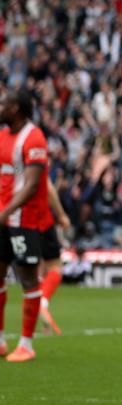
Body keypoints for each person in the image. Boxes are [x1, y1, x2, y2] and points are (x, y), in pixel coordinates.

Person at [0, 90, 56, 362]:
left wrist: (6, 211)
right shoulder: (2, 136)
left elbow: (33, 185)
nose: (0, 107)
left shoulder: (34, 138)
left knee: (27, 278)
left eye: (5, 104)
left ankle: (26, 344)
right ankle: (0, 340)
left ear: (17, 109)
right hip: (2, 217)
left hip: (24, 220)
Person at [37, 173, 72, 335]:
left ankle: (38, 328)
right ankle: (42, 304)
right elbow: (48, 188)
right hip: (41, 218)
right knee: (55, 266)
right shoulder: (33, 153)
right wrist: (62, 215)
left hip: (15, 220)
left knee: (35, 271)